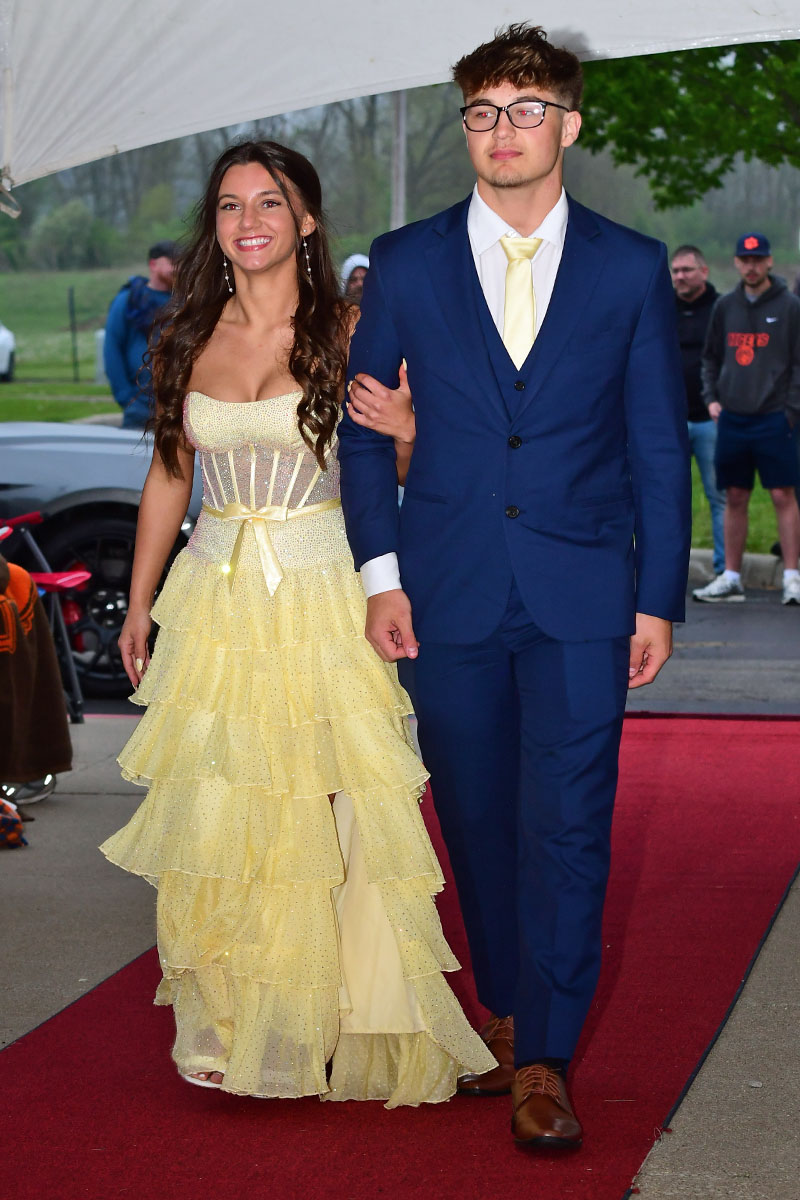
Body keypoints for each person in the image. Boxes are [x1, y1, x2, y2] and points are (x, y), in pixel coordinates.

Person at [338, 23, 690, 1150]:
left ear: (567, 126)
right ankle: (500, 1009)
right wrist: (381, 575)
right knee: (478, 817)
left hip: (585, 595)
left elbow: (652, 442)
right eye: (482, 112)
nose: (502, 132)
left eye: (525, 109)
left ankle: (542, 1053)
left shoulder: (631, 266)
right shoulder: (402, 261)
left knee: (570, 823)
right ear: (466, 130)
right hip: (442, 592)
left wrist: (656, 599)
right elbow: (357, 439)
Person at [100, 140, 493, 1104]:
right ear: (216, 226)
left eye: (269, 202)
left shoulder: (352, 326)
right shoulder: (188, 331)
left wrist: (408, 435)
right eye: (230, 205)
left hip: (326, 590)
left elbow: (413, 469)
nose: (248, 221)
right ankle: (249, 1024)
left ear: (307, 220)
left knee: (330, 811)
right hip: (218, 599)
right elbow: (169, 475)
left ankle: (337, 1020)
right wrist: (141, 601)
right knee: (233, 811)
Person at [693, 232, 800, 605]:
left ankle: (791, 577)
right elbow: (710, 358)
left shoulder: (789, 306)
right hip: (733, 418)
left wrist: (791, 410)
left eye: (758, 260)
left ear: (769, 262)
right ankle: (732, 576)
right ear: (737, 263)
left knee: (782, 494)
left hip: (775, 418)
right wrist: (711, 399)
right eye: (745, 260)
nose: (751, 266)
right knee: (735, 495)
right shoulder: (726, 307)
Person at [671, 245, 725, 576]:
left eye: (687, 270)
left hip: (710, 420)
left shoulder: (722, 310)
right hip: (669, 422)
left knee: (719, 497)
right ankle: (667, 572)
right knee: (669, 501)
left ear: (703, 271)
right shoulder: (660, 307)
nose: (680, 276)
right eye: (675, 271)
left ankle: (722, 570)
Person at [104, 240, 177, 429]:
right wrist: (127, 399)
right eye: (173, 262)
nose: (179, 268)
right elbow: (112, 349)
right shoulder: (129, 301)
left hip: (178, 411)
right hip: (139, 410)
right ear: (153, 264)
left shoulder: (186, 302)